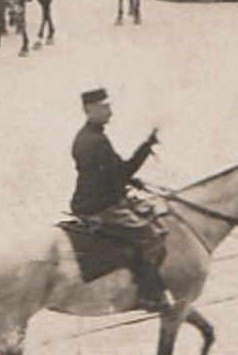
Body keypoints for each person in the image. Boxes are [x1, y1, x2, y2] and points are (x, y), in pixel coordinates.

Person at [68, 88, 169, 312]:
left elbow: (107, 173)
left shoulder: (86, 136)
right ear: (89, 110)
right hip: (100, 205)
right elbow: (121, 171)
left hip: (91, 199)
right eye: (105, 108)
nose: (110, 113)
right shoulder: (96, 141)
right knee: (149, 235)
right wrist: (147, 146)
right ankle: (149, 294)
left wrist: (127, 181)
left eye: (109, 107)